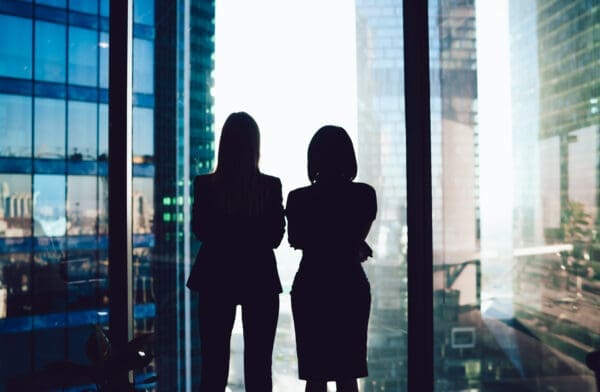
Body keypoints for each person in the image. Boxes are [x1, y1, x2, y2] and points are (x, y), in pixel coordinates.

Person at [186, 112, 285, 392]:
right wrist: (250, 230)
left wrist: (229, 228)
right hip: (260, 278)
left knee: (213, 367)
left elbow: (203, 231)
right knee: (259, 368)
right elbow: (275, 236)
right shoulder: (269, 186)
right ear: (256, 145)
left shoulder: (206, 185)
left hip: (216, 277)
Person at [286, 125, 377, 392]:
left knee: (316, 375)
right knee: (348, 375)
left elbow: (297, 240)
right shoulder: (364, 194)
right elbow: (351, 238)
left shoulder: (298, 198)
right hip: (349, 285)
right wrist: (353, 245)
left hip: (312, 285)